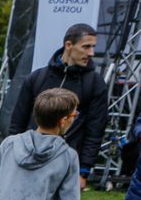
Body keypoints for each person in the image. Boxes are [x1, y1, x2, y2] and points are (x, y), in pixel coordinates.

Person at [9, 23, 108, 191]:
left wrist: (83, 172)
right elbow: (18, 122)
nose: (91, 53)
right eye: (86, 47)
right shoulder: (37, 78)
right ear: (68, 45)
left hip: (65, 164)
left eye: (93, 47)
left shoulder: (95, 83)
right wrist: (11, 156)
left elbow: (95, 130)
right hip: (28, 159)